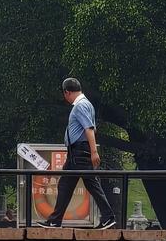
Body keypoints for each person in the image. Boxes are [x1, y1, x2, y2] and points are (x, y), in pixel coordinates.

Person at [36, 77, 118, 229]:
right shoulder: (86, 104)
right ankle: (56, 220)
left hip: (80, 151)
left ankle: (108, 216)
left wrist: (94, 151)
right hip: (77, 152)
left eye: (64, 94)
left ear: (67, 92)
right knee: (66, 185)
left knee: (89, 184)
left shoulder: (80, 106)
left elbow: (89, 128)